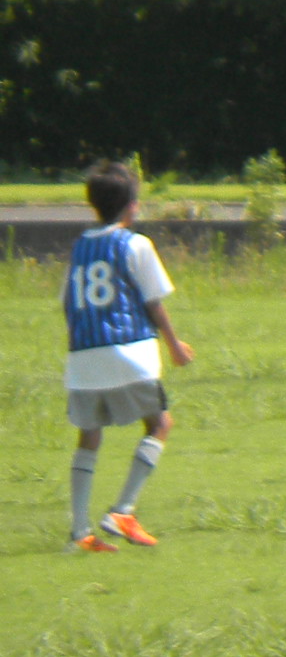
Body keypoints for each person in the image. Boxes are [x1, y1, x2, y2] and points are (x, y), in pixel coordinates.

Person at [62, 160, 195, 551]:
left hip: (82, 358)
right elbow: (153, 304)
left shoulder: (79, 249)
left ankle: (80, 533)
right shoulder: (136, 245)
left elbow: (69, 303)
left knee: (88, 437)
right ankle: (122, 510)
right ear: (132, 205)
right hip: (129, 352)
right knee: (159, 424)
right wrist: (174, 346)